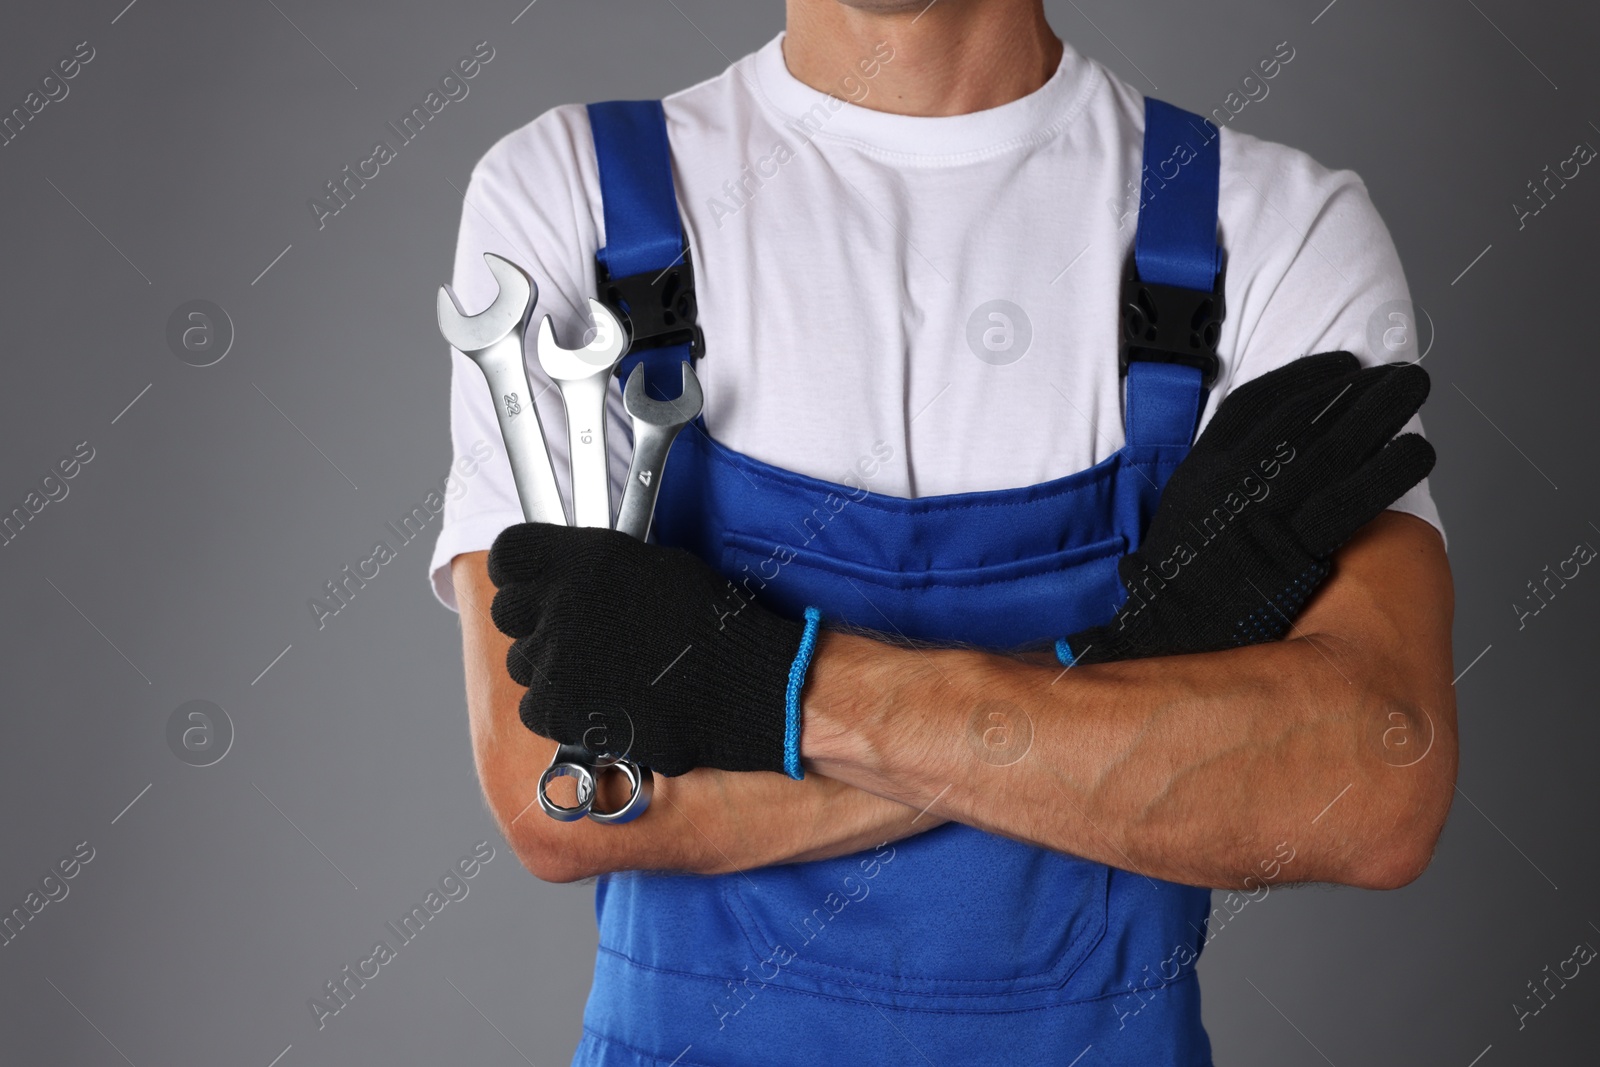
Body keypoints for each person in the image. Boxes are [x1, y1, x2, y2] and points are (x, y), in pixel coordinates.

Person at [429, 1, 1455, 1063]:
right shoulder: (574, 197)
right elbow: (560, 796)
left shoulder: (1276, 229)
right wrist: (1132, 666)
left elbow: (1375, 788)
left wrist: (756, 683)